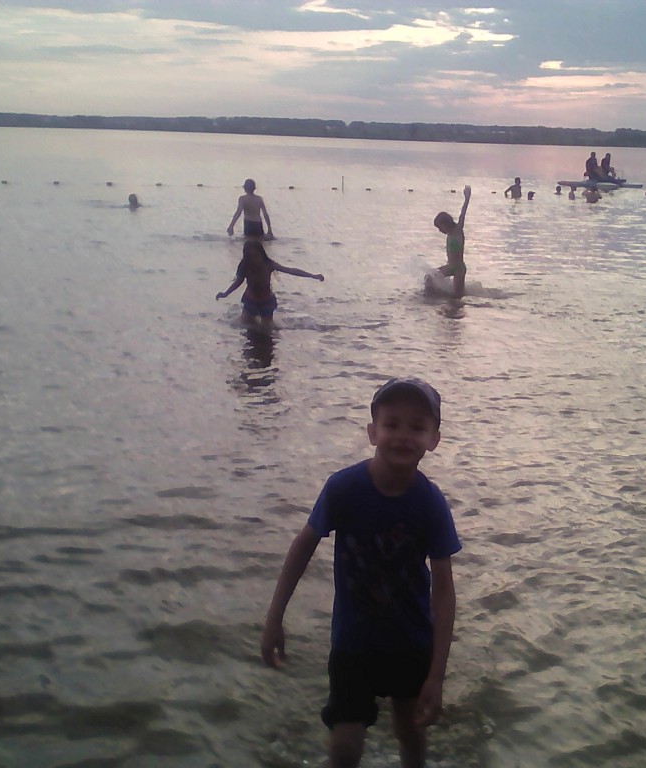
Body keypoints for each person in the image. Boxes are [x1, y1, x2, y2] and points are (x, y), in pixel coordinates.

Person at [261, 377, 460, 768]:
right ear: (372, 432)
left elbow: (443, 589)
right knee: (344, 750)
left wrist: (436, 675)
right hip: (353, 642)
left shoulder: (430, 503)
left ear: (434, 439)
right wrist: (274, 618)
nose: (402, 435)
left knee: (411, 736)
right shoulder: (344, 488)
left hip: (410, 642)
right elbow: (302, 547)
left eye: (417, 426)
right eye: (391, 424)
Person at [216, 240, 323, 328]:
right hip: (251, 300)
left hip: (267, 301)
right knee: (246, 326)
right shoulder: (244, 265)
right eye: (250, 257)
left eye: (255, 256)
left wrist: (313, 276)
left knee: (267, 329)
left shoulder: (268, 264)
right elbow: (238, 282)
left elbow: (291, 270)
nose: (254, 260)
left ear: (261, 254)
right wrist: (225, 293)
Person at [433, 185, 471, 298]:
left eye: (440, 227)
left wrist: (467, 198)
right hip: (451, 266)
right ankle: (433, 297)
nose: (440, 231)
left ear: (446, 224)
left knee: (457, 297)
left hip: (459, 269)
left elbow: (463, 214)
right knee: (430, 277)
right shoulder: (449, 233)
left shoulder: (457, 230)